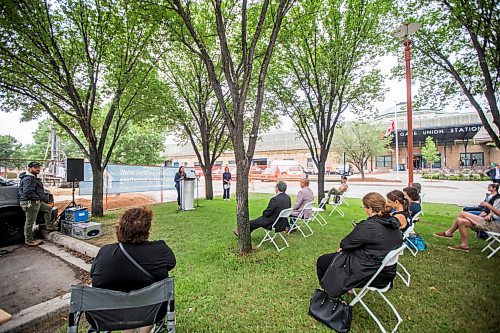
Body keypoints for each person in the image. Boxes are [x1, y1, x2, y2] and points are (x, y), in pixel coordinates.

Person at [90, 207, 176, 333]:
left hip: (110, 314)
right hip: (151, 311)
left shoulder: (105, 252)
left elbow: (94, 275)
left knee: (124, 301)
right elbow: (171, 264)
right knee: (153, 293)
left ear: (120, 228)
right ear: (147, 229)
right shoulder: (159, 250)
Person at [316, 192, 403, 297]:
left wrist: (345, 248)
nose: (364, 209)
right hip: (386, 273)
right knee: (337, 257)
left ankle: (327, 293)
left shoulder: (369, 226)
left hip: (370, 274)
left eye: (364, 207)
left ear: (370, 209)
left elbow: (345, 243)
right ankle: (340, 288)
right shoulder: (393, 223)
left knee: (322, 261)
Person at [433, 195, 500, 252]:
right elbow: (496, 211)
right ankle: (462, 244)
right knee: (461, 218)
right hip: (491, 221)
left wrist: (488, 205)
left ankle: (451, 234)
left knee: (462, 219)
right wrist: (489, 215)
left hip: (496, 226)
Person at [18, 161, 56, 246]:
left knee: (48, 209)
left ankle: (49, 226)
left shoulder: (31, 177)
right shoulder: (29, 178)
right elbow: (27, 192)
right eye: (35, 167)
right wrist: (37, 198)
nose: (38, 169)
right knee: (30, 221)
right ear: (29, 169)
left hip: (34, 201)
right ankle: (29, 240)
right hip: (30, 202)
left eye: (38, 167)